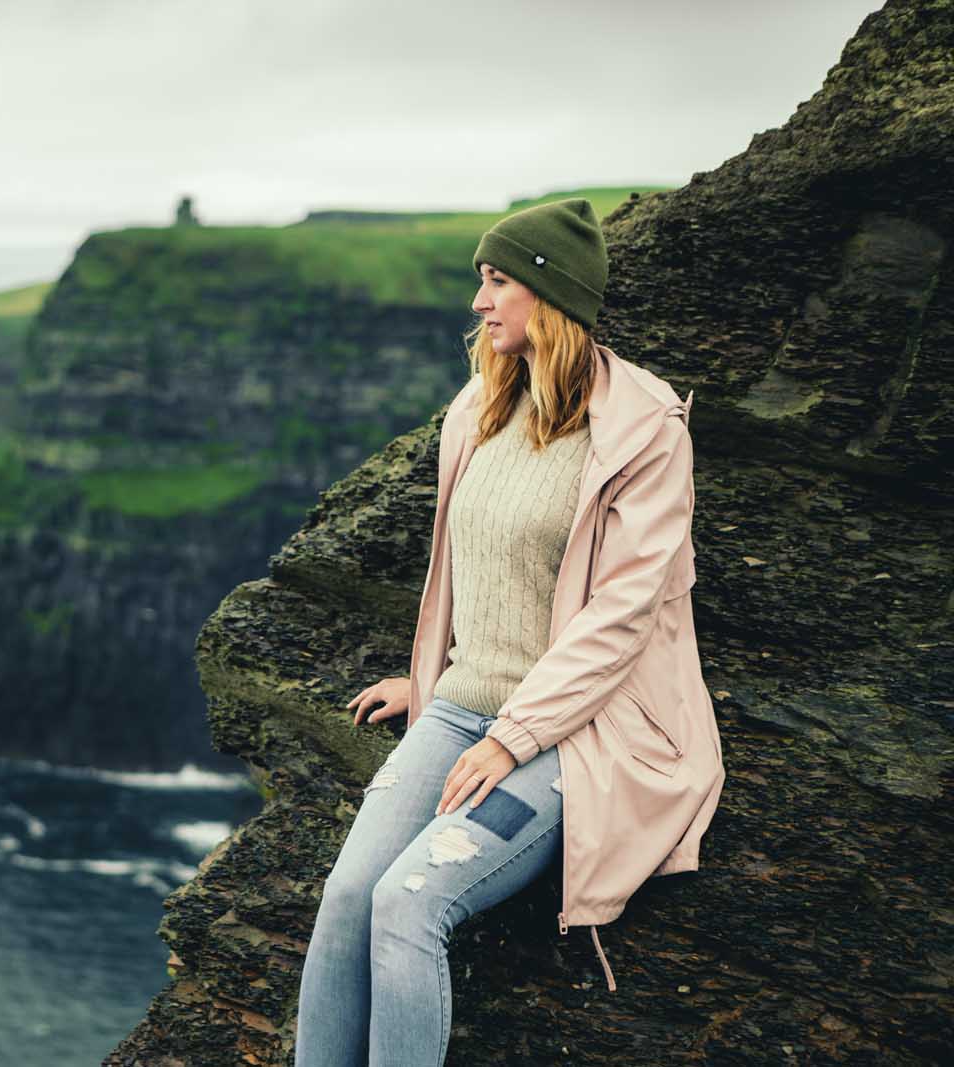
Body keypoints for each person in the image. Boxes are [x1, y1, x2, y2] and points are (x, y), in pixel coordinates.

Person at [294, 197, 725, 1065]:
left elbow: (619, 616)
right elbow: (476, 578)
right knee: (347, 897)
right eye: (480, 282)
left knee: (408, 903)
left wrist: (515, 736)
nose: (479, 302)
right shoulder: (482, 406)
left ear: (548, 292)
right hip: (465, 708)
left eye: (496, 282)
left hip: (577, 735)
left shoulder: (643, 432)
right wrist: (430, 679)